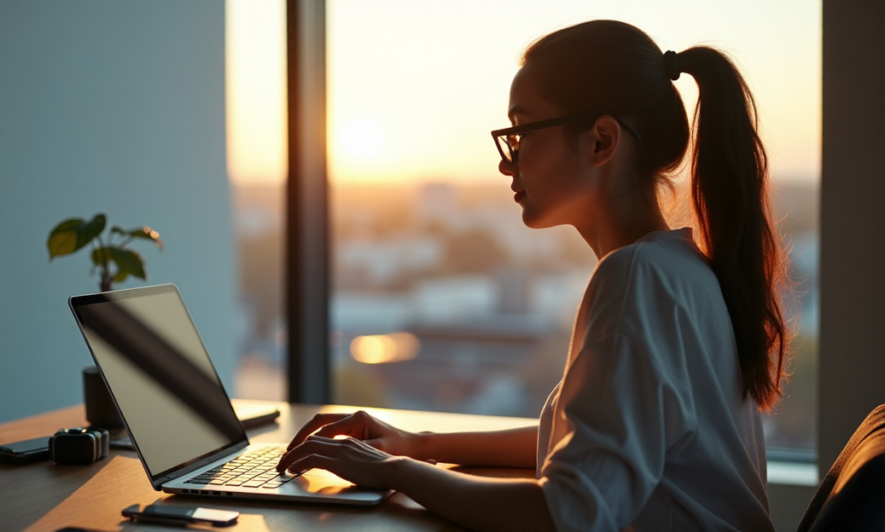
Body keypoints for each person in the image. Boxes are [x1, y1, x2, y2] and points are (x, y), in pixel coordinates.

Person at [276, 20, 790, 532]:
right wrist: (417, 444)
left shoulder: (636, 277)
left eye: (521, 132)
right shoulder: (679, 270)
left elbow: (570, 512)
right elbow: (589, 441)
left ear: (600, 141)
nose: (507, 164)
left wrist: (394, 471)